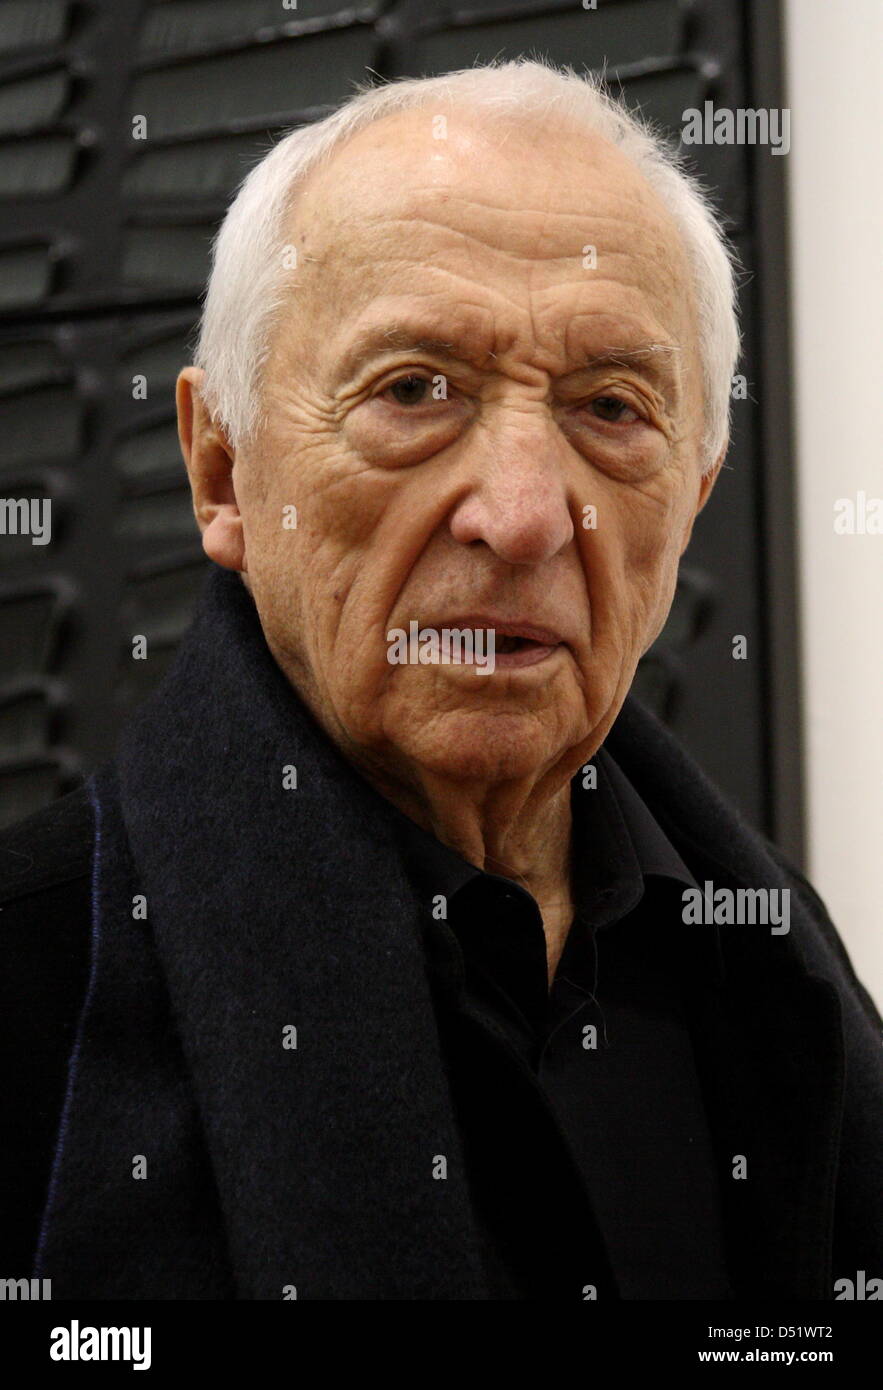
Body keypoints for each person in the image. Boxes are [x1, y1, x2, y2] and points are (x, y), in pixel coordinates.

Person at [2, 59, 880, 1301]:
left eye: (612, 408)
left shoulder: (772, 963)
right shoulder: (36, 984)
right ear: (219, 472)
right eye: (415, 390)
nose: (521, 516)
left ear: (690, 499)